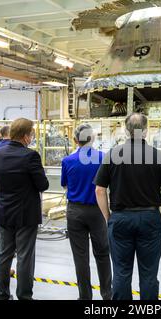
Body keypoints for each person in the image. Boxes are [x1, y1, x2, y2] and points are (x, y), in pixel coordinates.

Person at [94, 113, 161, 300]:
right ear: (147, 131)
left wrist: (109, 217)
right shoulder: (160, 156)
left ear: (126, 131)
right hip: (150, 220)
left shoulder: (112, 155)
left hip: (120, 219)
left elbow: (100, 190)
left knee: (121, 272)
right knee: (149, 275)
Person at [0, 118, 49, 300]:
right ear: (25, 136)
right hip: (25, 215)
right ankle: (24, 296)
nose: (32, 137)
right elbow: (43, 185)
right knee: (24, 256)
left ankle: (2, 294)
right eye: (31, 134)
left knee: (3, 254)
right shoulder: (30, 156)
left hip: (3, 211)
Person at [61, 123, 112, 300]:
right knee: (102, 253)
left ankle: (85, 297)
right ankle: (107, 293)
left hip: (75, 211)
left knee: (80, 256)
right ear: (93, 138)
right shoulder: (103, 158)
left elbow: (66, 185)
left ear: (75, 140)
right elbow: (105, 186)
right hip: (97, 210)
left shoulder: (67, 161)